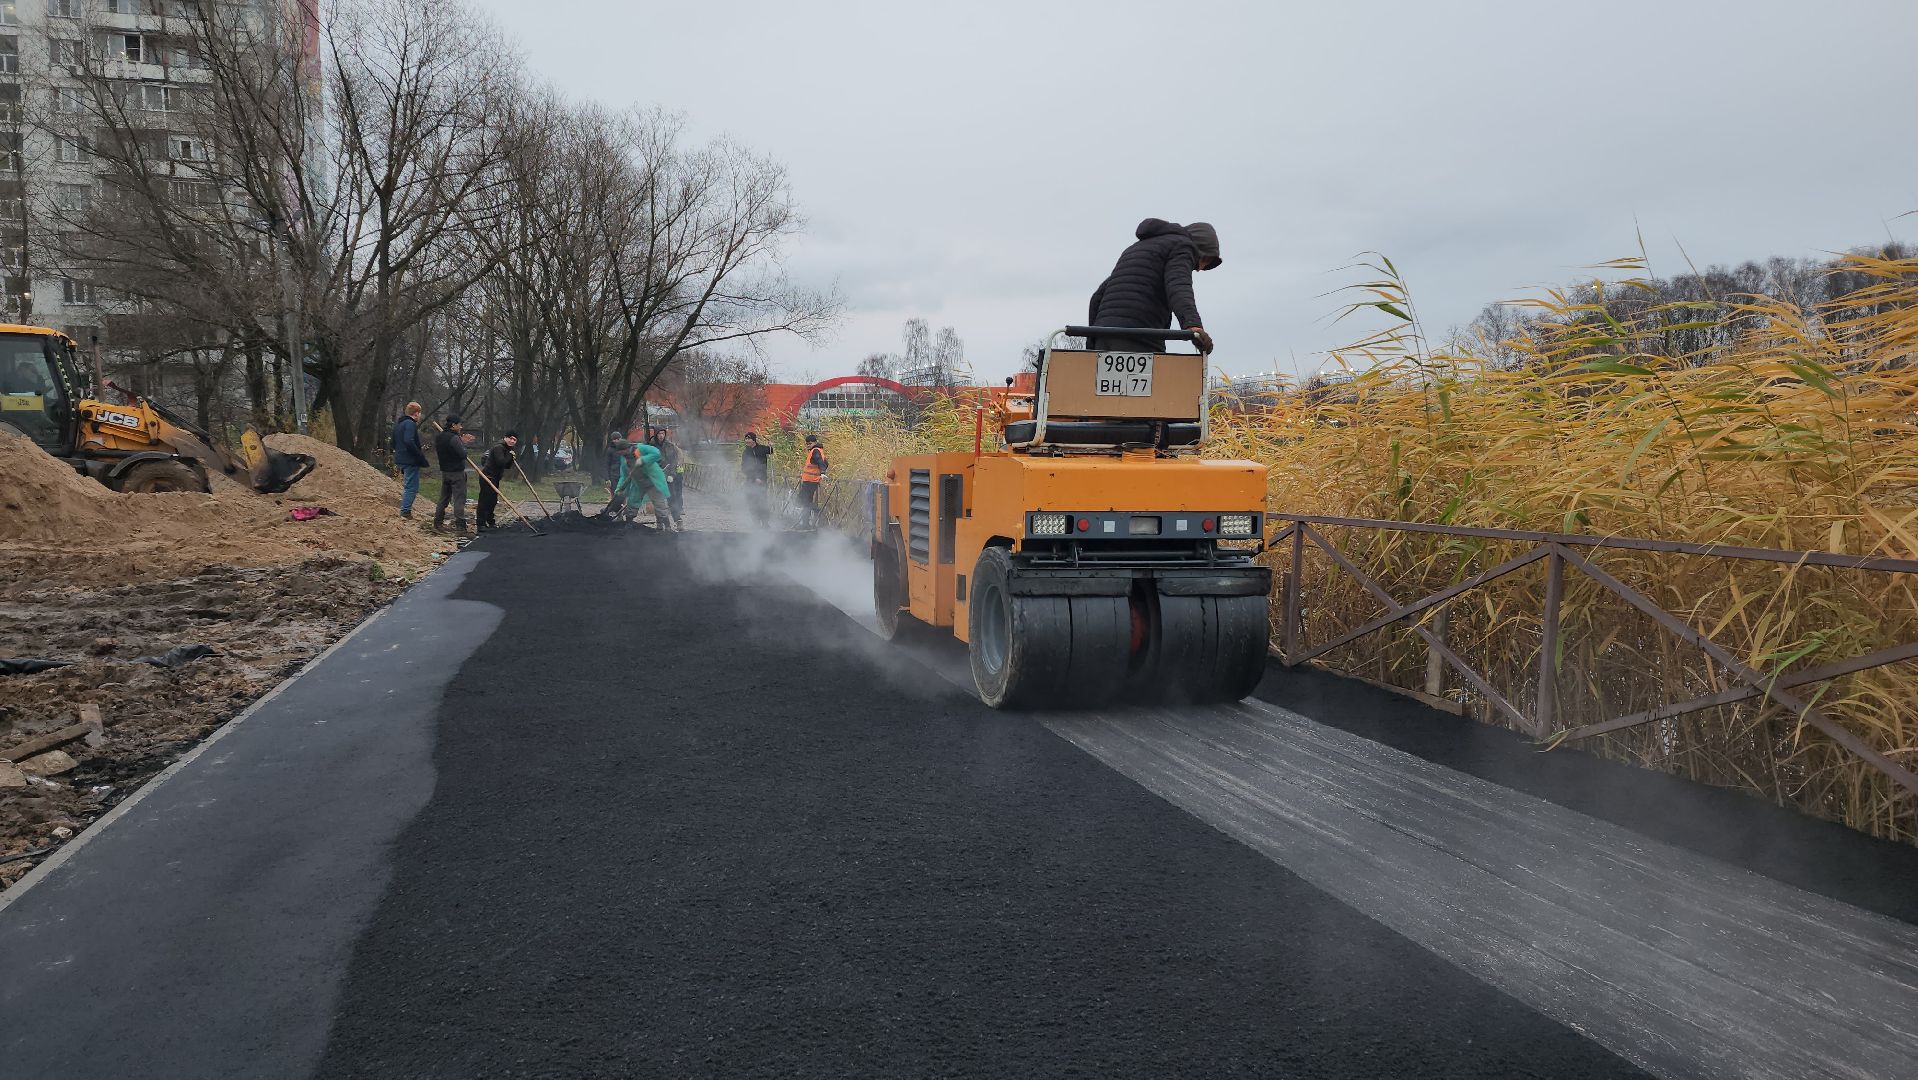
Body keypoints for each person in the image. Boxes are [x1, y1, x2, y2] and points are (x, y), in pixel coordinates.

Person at [1086, 218, 1221, 354]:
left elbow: (1097, 297)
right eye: (1205, 260)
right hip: (1140, 336)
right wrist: (1193, 325)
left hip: (1103, 336)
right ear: (1198, 247)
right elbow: (1178, 286)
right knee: (1152, 375)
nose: (1199, 268)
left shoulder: (1134, 248)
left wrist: (1092, 339)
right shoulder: (1183, 245)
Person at [615, 438, 679, 532]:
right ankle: (628, 524)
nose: (620, 453)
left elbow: (656, 453)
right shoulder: (624, 459)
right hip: (638, 483)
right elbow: (624, 476)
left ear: (625, 448)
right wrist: (619, 488)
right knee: (632, 503)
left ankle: (667, 526)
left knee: (659, 504)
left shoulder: (640, 449)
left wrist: (643, 459)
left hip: (653, 482)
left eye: (621, 451)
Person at [432, 414, 474, 534]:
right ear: (453, 425)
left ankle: (437, 522)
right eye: (459, 424)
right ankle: (460, 526)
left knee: (444, 498)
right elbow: (463, 454)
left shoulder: (439, 437)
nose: (461, 427)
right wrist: (464, 443)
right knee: (459, 499)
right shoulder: (454, 439)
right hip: (456, 473)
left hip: (445, 472)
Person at [475, 430, 519, 532]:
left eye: (515, 440)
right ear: (505, 437)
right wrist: (509, 455)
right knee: (484, 501)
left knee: (492, 501)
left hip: (495, 478)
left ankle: (490, 521)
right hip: (487, 477)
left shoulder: (507, 449)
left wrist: (512, 458)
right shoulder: (498, 447)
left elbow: (507, 466)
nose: (512, 441)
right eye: (511, 438)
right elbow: (501, 462)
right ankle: (480, 524)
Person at [391, 402, 426, 519]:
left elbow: (393, 443)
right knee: (411, 487)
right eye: (420, 413)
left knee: (408, 485)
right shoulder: (410, 424)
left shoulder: (398, 425)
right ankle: (405, 512)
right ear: (416, 413)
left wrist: (400, 453)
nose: (420, 415)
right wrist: (418, 455)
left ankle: (405, 511)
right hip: (410, 460)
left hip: (401, 459)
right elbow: (408, 441)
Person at [651, 428, 685, 518]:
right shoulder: (652, 446)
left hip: (670, 473)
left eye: (663, 433)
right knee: (658, 497)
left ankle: (677, 515)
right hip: (657, 474)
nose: (661, 435)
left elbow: (674, 461)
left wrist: (672, 474)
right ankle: (660, 518)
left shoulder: (670, 446)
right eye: (659, 433)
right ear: (656, 434)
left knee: (673, 494)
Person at [739, 431, 773, 521]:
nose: (747, 441)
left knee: (762, 501)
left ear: (753, 440)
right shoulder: (746, 453)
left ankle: (765, 522)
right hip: (751, 480)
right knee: (752, 501)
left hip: (762, 480)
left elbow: (770, 451)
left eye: (748, 438)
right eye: (746, 439)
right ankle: (755, 522)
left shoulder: (761, 448)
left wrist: (770, 445)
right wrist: (755, 478)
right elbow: (744, 468)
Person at [798, 433, 828, 529]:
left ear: (815, 442)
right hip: (811, 480)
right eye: (807, 444)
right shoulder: (817, 450)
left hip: (810, 481)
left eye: (810, 443)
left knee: (802, 501)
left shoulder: (815, 451)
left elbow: (821, 462)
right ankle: (805, 523)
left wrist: (822, 472)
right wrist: (821, 472)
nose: (808, 445)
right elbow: (826, 463)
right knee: (805, 501)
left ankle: (816, 510)